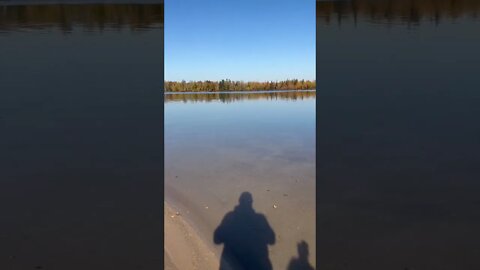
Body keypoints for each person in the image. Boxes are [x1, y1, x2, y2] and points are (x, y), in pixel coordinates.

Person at [214, 192, 275, 270]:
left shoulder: (230, 217)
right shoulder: (260, 218)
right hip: (254, 264)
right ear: (251, 202)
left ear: (239, 201)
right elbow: (272, 240)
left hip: (232, 262)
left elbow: (216, 240)